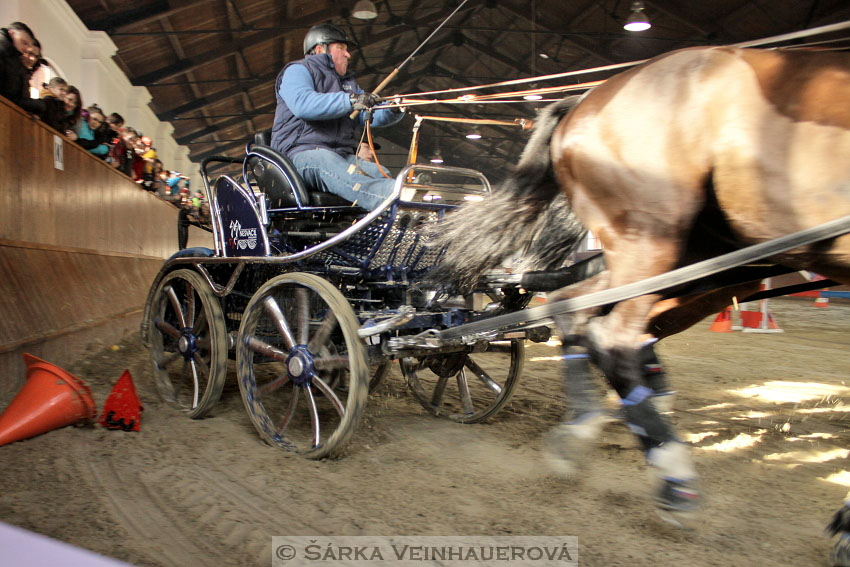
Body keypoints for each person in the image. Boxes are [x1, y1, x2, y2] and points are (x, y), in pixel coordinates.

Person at [271, 23, 404, 210]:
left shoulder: (347, 85)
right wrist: (351, 100)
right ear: (319, 50)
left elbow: (367, 113)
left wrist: (392, 109)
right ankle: (394, 198)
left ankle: (400, 204)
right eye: (341, 48)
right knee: (326, 161)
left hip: (339, 155)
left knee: (375, 172)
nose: (348, 54)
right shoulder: (297, 71)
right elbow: (303, 104)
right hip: (298, 157)